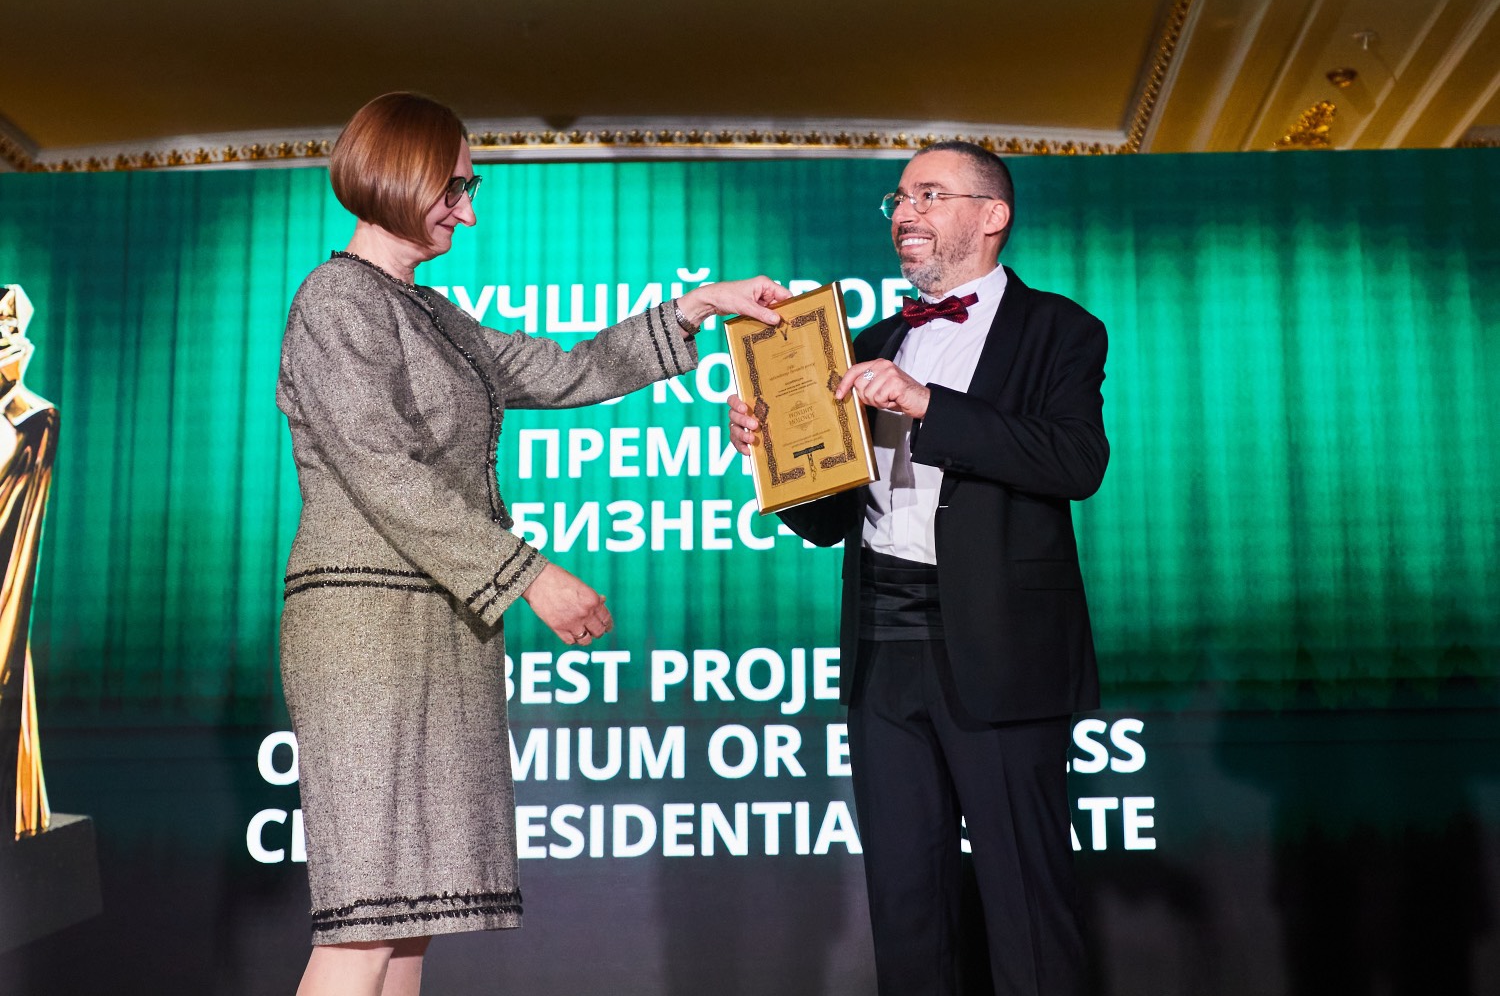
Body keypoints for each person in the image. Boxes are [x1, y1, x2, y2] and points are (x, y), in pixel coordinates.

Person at [278, 91, 787, 996]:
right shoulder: (335, 299)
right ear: (396, 173)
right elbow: (380, 470)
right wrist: (529, 575)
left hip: (445, 621)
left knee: (412, 919)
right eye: (454, 188)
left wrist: (700, 306)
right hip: (367, 633)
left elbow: (570, 369)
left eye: (468, 190)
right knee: (366, 918)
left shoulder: (434, 314)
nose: (467, 212)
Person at [728, 141, 1108, 995]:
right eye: (899, 199)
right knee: (906, 909)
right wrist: (774, 456)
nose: (905, 213)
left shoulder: (1061, 330)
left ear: (991, 215)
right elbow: (829, 521)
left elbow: (1075, 461)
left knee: (1026, 906)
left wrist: (928, 403)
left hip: (1002, 649)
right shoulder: (866, 340)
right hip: (881, 649)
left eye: (929, 195)